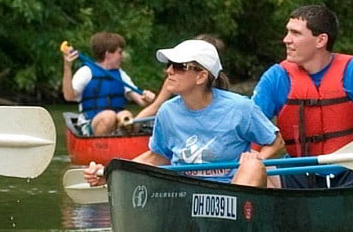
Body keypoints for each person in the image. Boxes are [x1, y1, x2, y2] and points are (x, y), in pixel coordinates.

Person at [81, 38, 280, 188]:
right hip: (183, 191)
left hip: (230, 191)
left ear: (201, 76)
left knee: (253, 166)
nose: (169, 71)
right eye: (168, 65)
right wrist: (111, 173)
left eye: (178, 66)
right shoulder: (167, 112)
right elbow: (157, 156)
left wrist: (260, 158)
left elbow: (276, 140)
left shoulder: (240, 107)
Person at [250, 5, 353, 188]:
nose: (286, 40)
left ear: (321, 40)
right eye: (287, 32)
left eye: (296, 33)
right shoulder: (276, 77)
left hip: (352, 173)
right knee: (252, 169)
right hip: (294, 173)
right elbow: (248, 125)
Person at [61, 31, 156, 136]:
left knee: (126, 115)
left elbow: (141, 101)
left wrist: (148, 98)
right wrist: (67, 67)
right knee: (108, 116)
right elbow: (68, 96)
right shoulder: (86, 72)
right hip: (90, 124)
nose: (122, 56)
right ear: (108, 54)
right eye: (119, 52)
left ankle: (121, 143)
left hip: (116, 126)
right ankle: (101, 147)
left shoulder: (121, 74)